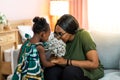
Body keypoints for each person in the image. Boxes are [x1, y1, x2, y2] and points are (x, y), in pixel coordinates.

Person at [44, 14, 104, 80]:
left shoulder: (83, 35)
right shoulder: (58, 40)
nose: (57, 37)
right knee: (50, 71)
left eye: (60, 34)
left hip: (87, 71)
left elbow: (94, 64)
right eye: (56, 33)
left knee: (69, 72)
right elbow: (57, 60)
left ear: (70, 31)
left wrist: (66, 62)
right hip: (67, 67)